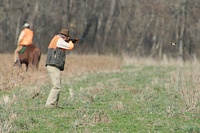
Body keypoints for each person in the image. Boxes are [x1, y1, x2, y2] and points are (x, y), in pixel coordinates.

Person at [45, 28, 78, 108]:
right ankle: (49, 104)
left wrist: (70, 41)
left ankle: (55, 104)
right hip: (53, 65)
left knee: (57, 85)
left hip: (52, 65)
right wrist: (71, 42)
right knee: (56, 86)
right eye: (67, 38)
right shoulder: (59, 41)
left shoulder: (57, 39)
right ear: (65, 37)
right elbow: (70, 47)